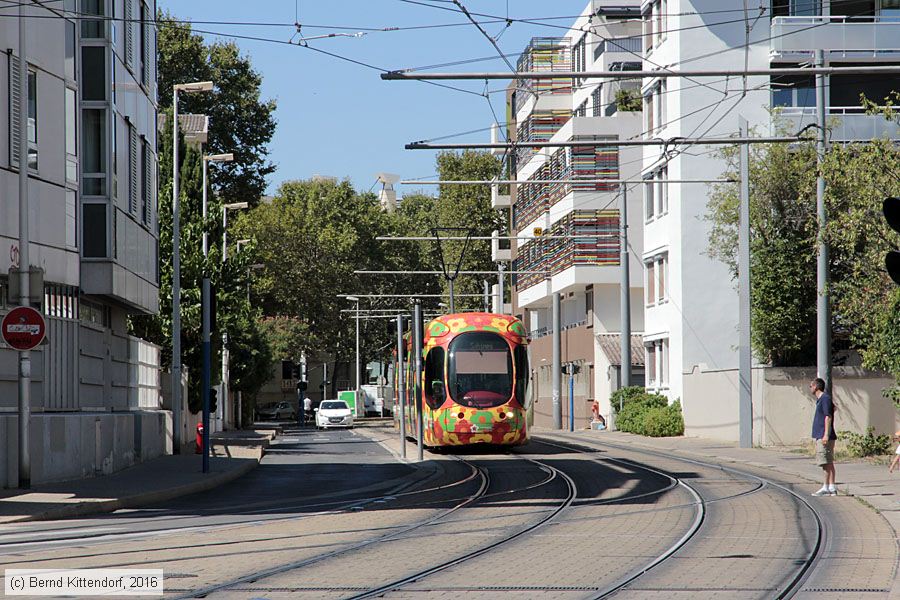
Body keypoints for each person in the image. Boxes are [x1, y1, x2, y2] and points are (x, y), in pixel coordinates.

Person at [809, 378, 838, 496]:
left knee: (825, 462)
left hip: (824, 435)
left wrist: (826, 434)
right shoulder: (823, 399)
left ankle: (826, 487)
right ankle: (831, 487)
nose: (810, 388)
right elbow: (834, 408)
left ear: (816, 386)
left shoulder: (824, 398)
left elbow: (828, 416)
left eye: (811, 386)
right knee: (828, 461)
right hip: (823, 434)